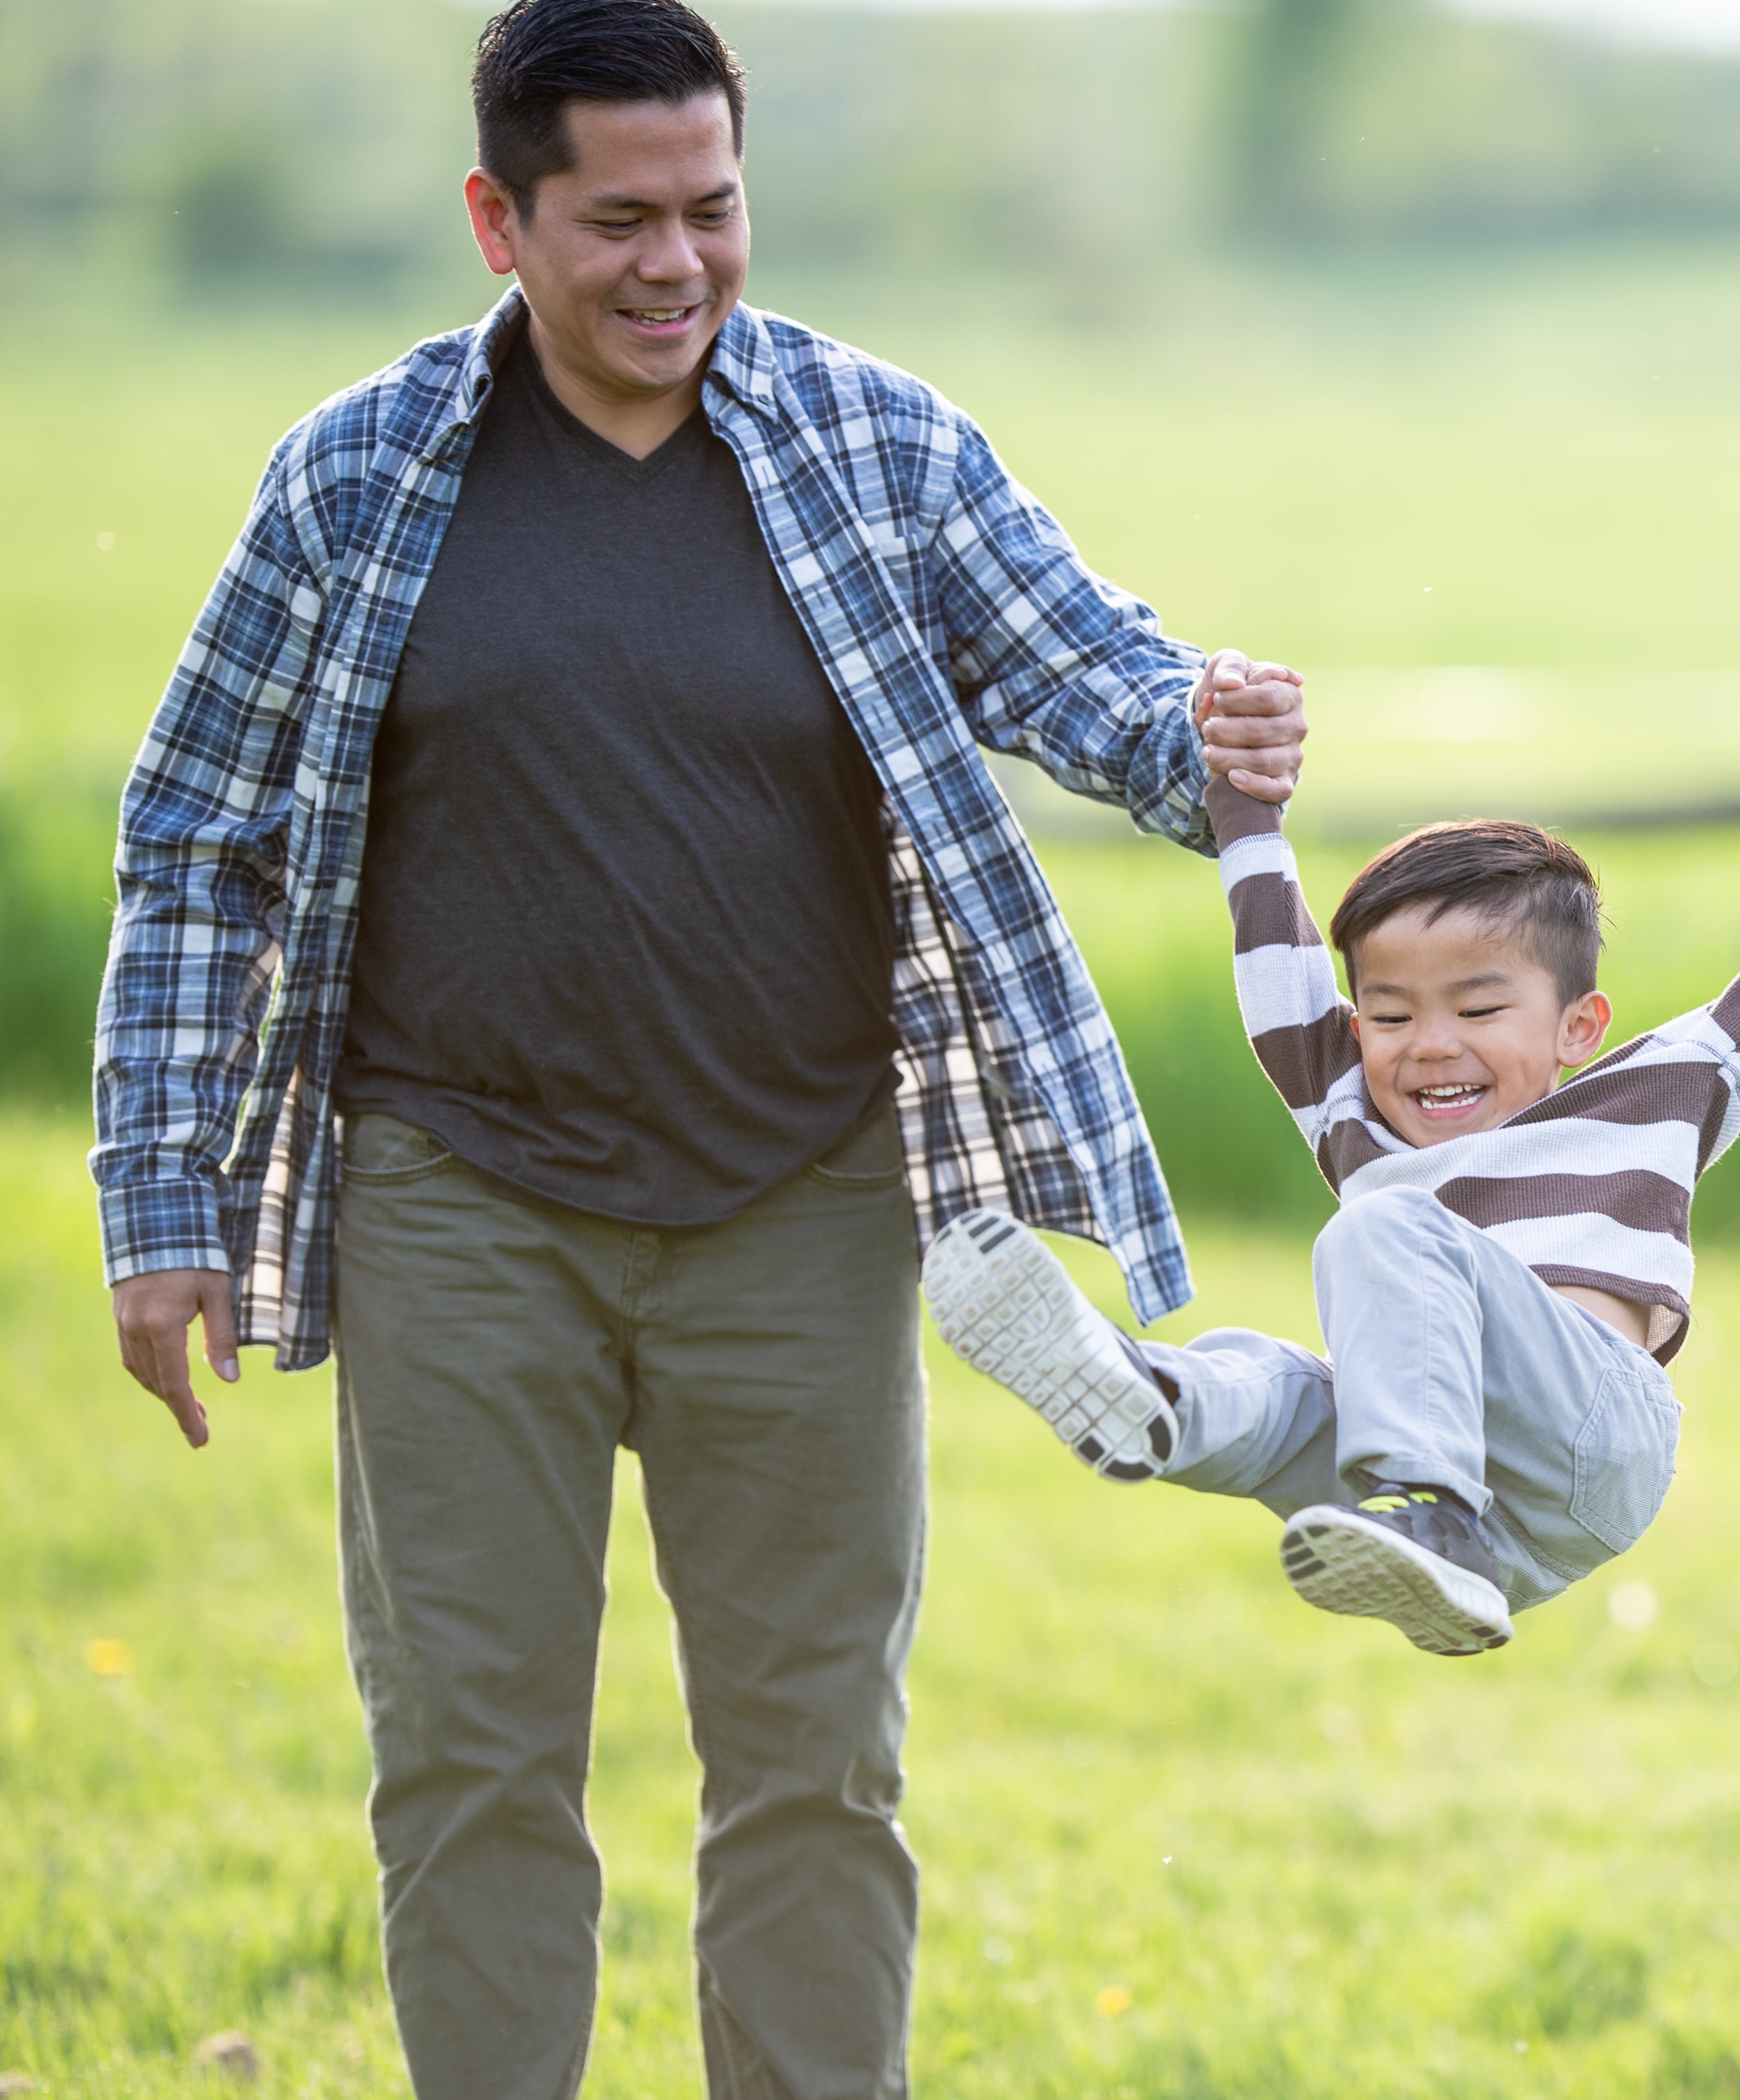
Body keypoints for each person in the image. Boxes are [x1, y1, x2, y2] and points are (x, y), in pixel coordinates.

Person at [91, 2, 1305, 2092]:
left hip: (807, 1208)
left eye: (715, 210)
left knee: (818, 1770)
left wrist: (1204, 733)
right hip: (462, 1208)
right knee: (470, 1764)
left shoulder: (878, 441)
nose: (678, 264)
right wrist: (160, 1199)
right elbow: (197, 832)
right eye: (620, 219)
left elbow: (1089, 672)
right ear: (501, 219)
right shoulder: (359, 476)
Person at [924, 762, 1740, 1655]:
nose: (1430, 1044)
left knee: (1382, 1228)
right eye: (1392, 1017)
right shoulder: (1363, 1117)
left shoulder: (1652, 1091)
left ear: (1580, 1025)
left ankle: (1428, 1511)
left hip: (1588, 1433)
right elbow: (1282, 987)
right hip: (1476, 1520)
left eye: (1479, 1010)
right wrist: (1245, 809)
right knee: (1278, 1380)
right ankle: (1158, 1406)